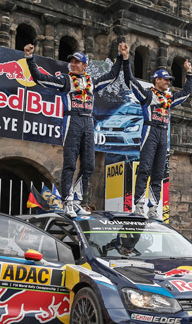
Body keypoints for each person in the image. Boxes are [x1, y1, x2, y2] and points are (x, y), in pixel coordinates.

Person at [23, 42, 126, 217]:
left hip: (88, 122)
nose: (73, 64)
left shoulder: (92, 82)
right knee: (70, 163)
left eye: (77, 62)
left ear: (84, 66)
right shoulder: (66, 80)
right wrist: (29, 58)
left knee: (89, 165)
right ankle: (67, 202)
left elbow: (112, 75)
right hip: (72, 119)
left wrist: (121, 56)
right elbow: (39, 78)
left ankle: (77, 200)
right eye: (72, 61)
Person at [121, 42, 192, 219]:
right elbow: (130, 81)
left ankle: (153, 208)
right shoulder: (147, 95)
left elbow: (185, 93)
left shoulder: (168, 100)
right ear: (157, 80)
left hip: (163, 134)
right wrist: (125, 59)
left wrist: (189, 73)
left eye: (169, 80)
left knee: (159, 174)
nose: (168, 82)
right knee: (144, 169)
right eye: (166, 79)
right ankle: (139, 205)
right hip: (149, 131)